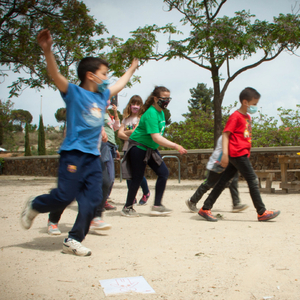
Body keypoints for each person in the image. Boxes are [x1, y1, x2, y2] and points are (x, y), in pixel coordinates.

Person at [20, 28, 138, 256]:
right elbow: (56, 75)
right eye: (104, 74)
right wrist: (47, 51)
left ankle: (73, 239)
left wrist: (131, 69)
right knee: (65, 196)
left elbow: (119, 85)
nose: (107, 79)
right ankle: (35, 205)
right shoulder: (73, 92)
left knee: (93, 199)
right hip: (73, 154)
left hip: (93, 157)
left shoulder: (101, 96)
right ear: (91, 75)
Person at [198, 87, 280, 222]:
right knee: (253, 179)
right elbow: (225, 134)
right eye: (254, 104)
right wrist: (225, 154)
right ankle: (262, 212)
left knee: (223, 181)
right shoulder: (235, 116)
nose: (255, 107)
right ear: (245, 102)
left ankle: (205, 208)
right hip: (236, 154)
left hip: (241, 154)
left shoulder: (247, 117)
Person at [121, 86, 187, 217]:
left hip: (150, 148)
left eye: (168, 98)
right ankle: (127, 207)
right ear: (156, 99)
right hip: (138, 147)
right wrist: (175, 146)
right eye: (164, 98)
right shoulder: (151, 113)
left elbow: (156, 138)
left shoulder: (161, 112)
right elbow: (156, 137)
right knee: (137, 177)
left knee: (163, 173)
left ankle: (157, 205)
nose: (166, 101)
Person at [185, 135, 248, 213]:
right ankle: (192, 201)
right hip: (217, 164)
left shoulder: (233, 136)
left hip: (226, 164)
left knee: (233, 180)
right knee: (208, 184)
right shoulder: (226, 136)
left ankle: (236, 203)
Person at [118, 95, 150, 205]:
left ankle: (146, 192)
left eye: (137, 104)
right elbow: (119, 134)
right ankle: (132, 197)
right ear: (130, 105)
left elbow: (135, 132)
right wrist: (130, 136)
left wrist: (126, 133)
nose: (135, 106)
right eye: (133, 103)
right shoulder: (126, 119)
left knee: (138, 173)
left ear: (140, 106)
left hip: (138, 148)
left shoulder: (141, 118)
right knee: (127, 173)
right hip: (127, 148)